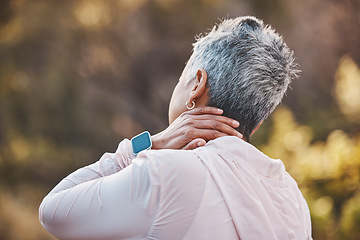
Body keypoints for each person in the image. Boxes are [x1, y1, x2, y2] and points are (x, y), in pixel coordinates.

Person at [39, 16, 312, 240]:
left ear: (196, 84)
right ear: (259, 121)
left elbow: (53, 212)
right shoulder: (292, 195)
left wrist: (149, 145)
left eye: (182, 79)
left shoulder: (167, 172)